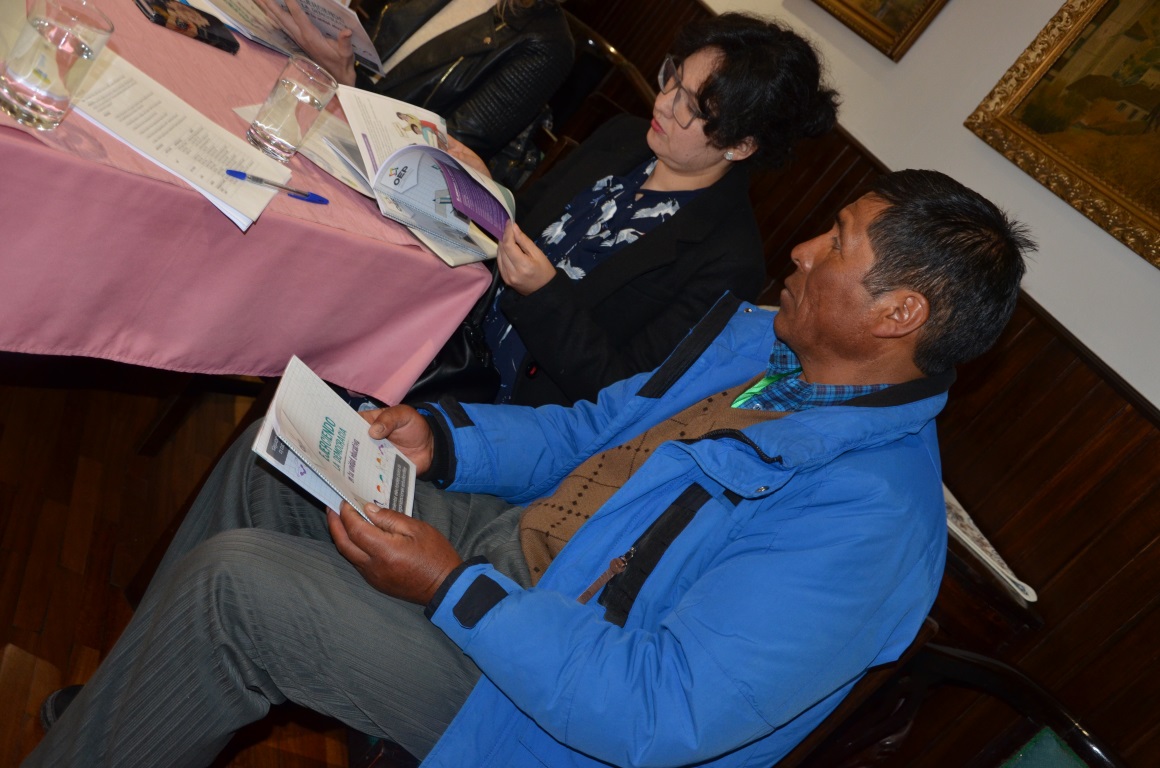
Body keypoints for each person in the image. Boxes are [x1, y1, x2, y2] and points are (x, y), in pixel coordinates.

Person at [25, 168, 1033, 768]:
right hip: (516, 559)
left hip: (543, 715)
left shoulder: (866, 519)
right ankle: (121, 717)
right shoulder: (769, 352)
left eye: (838, 243)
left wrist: (451, 589)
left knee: (236, 591)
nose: (804, 247)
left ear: (898, 315)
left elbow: (656, 712)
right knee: (276, 461)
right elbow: (595, 429)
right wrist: (447, 441)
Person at [431, 12, 839, 407]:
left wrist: (542, 295)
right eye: (673, 78)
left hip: (512, 405)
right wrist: (485, 190)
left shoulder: (729, 261)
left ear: (740, 145)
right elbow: (521, 224)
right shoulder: (623, 136)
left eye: (691, 107)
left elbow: (621, 391)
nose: (663, 104)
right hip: (451, 328)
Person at [255, 0, 574, 163]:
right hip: (327, 111)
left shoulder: (546, 43)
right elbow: (368, 45)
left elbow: (446, 151)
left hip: (382, 173)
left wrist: (348, 79)